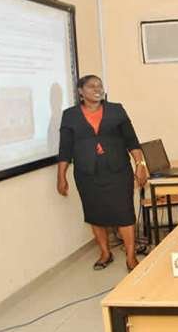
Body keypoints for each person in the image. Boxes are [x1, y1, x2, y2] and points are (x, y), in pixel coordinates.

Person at [57, 75, 147, 272]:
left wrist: (140, 164)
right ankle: (105, 253)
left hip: (118, 170)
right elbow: (65, 149)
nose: (97, 88)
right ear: (80, 91)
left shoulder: (116, 110)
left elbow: (132, 140)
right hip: (87, 173)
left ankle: (131, 258)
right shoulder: (70, 116)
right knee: (94, 213)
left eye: (100, 85)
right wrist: (61, 176)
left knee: (125, 212)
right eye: (91, 86)